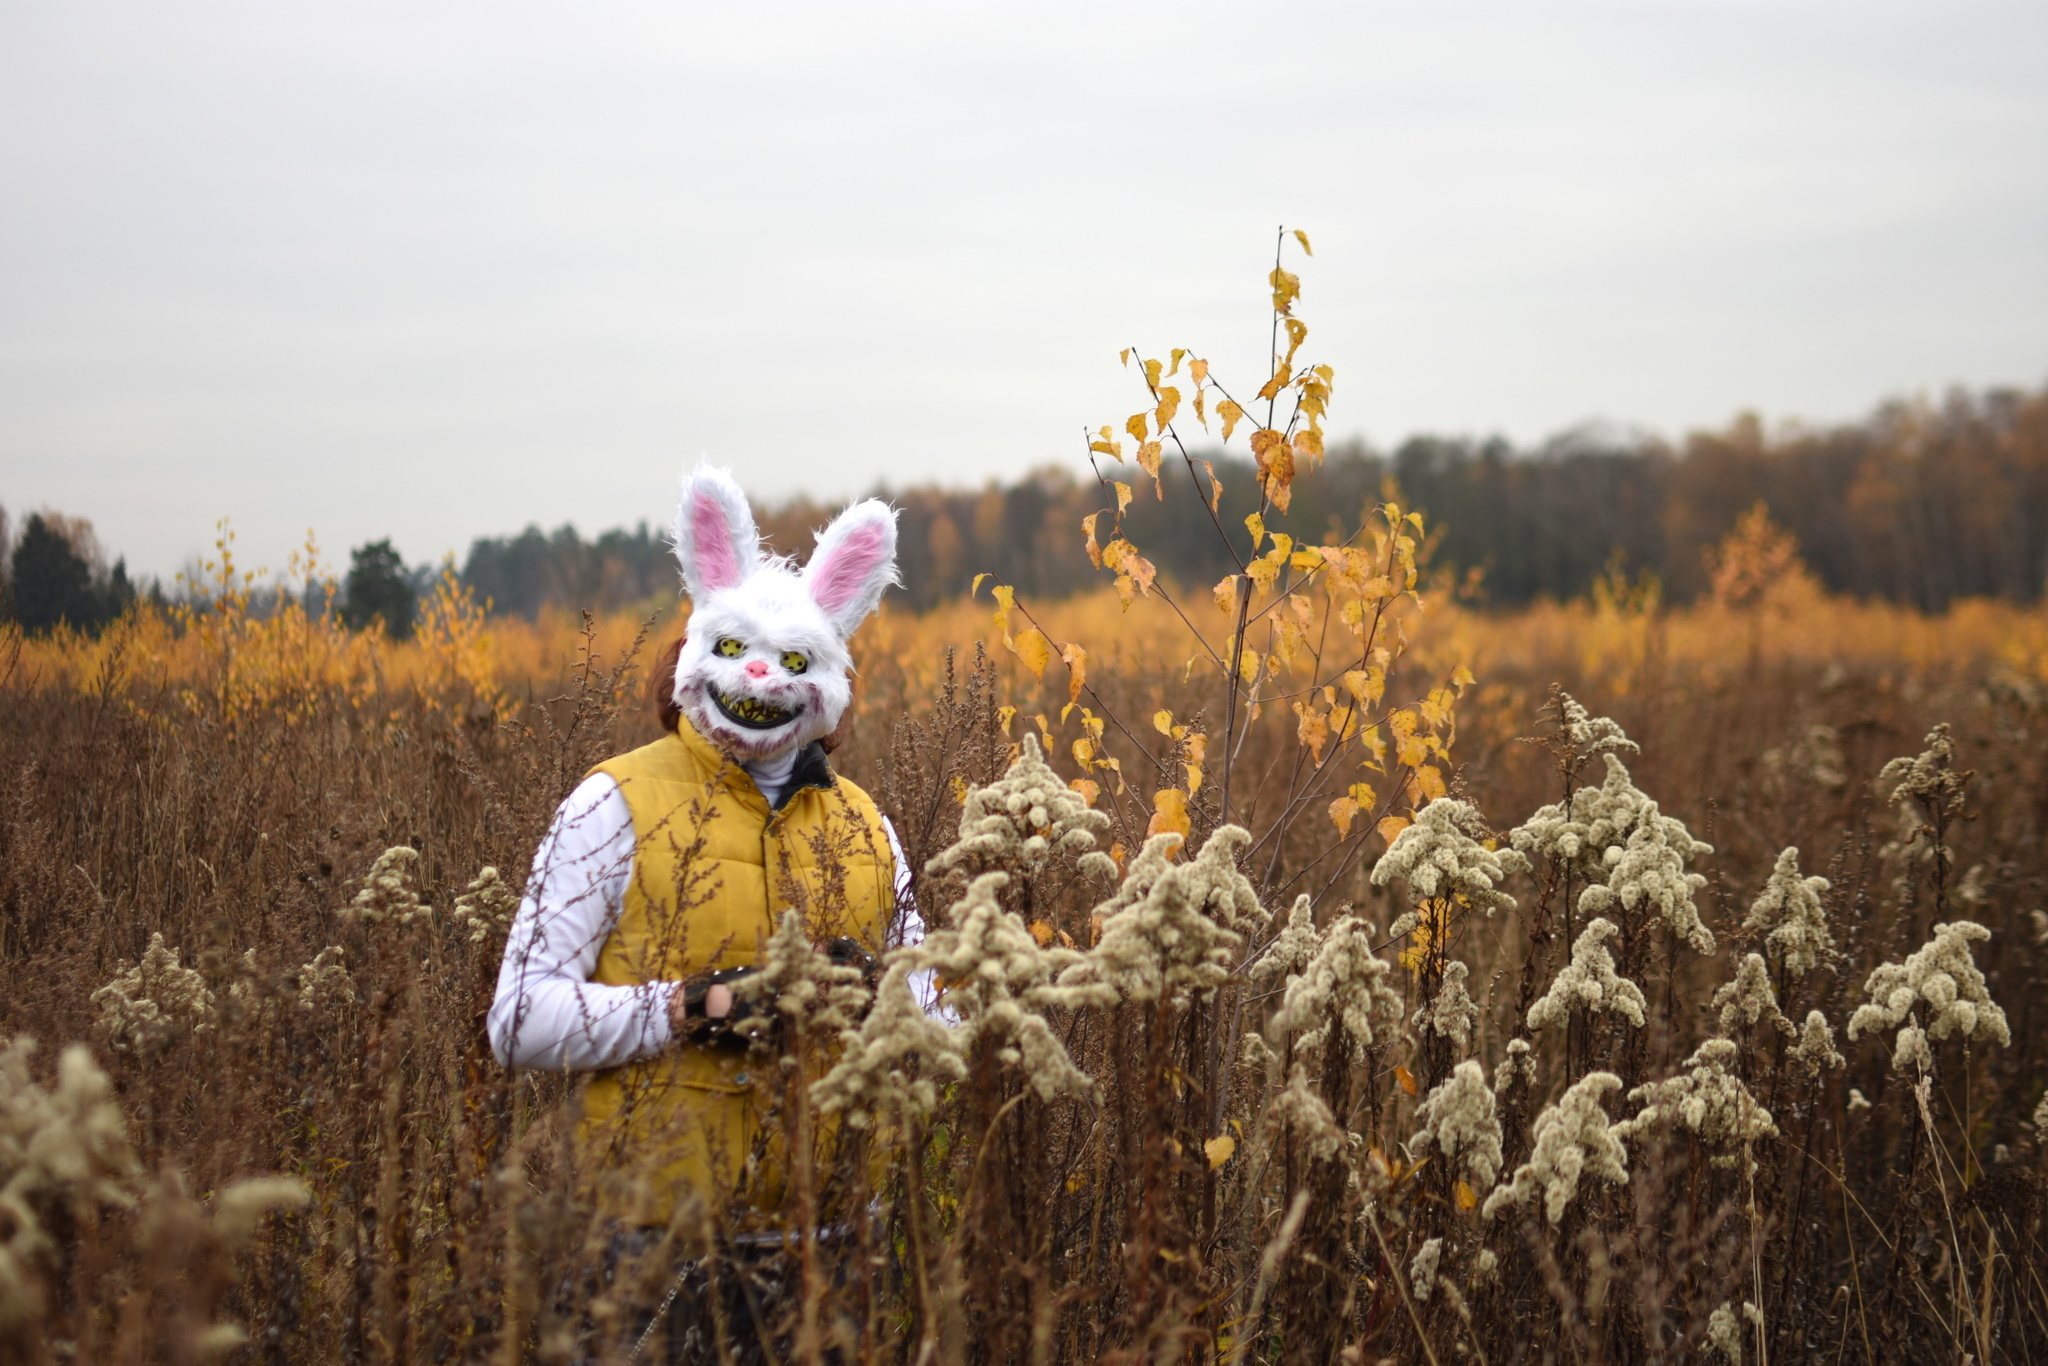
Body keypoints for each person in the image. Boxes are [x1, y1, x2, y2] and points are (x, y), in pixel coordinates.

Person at [487, 466, 917, 1360]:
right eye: (739, 653)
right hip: (648, 1243)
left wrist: (885, 998)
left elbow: (942, 1003)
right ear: (694, 660)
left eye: (794, 662)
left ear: (828, 682)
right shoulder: (610, 804)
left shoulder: (868, 827)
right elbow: (518, 1018)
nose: (761, 677)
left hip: (830, 1239)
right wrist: (685, 1008)